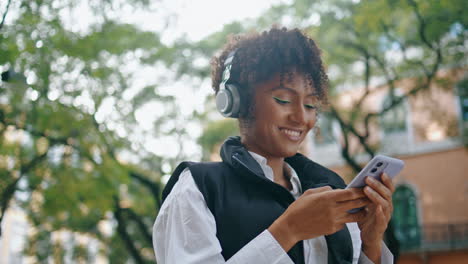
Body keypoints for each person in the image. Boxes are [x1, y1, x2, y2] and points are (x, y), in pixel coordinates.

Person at [153, 27, 395, 264]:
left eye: (311, 105)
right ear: (237, 101)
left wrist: (371, 244)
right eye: (284, 100)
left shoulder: (330, 188)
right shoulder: (198, 189)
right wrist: (289, 230)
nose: (301, 118)